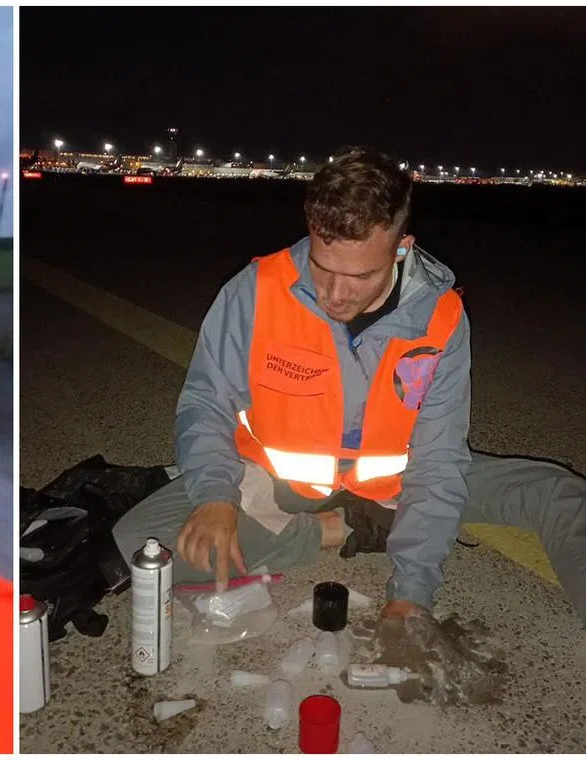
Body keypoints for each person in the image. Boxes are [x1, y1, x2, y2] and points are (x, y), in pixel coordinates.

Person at [112, 147, 586, 625]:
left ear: (401, 248)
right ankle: (341, 530)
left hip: (396, 485)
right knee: (142, 540)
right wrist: (216, 496)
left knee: (556, 492)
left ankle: (384, 522)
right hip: (282, 483)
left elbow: (438, 459)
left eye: (360, 276)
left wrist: (411, 593)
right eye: (322, 267)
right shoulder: (254, 291)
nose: (334, 295)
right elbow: (205, 403)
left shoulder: (441, 317)